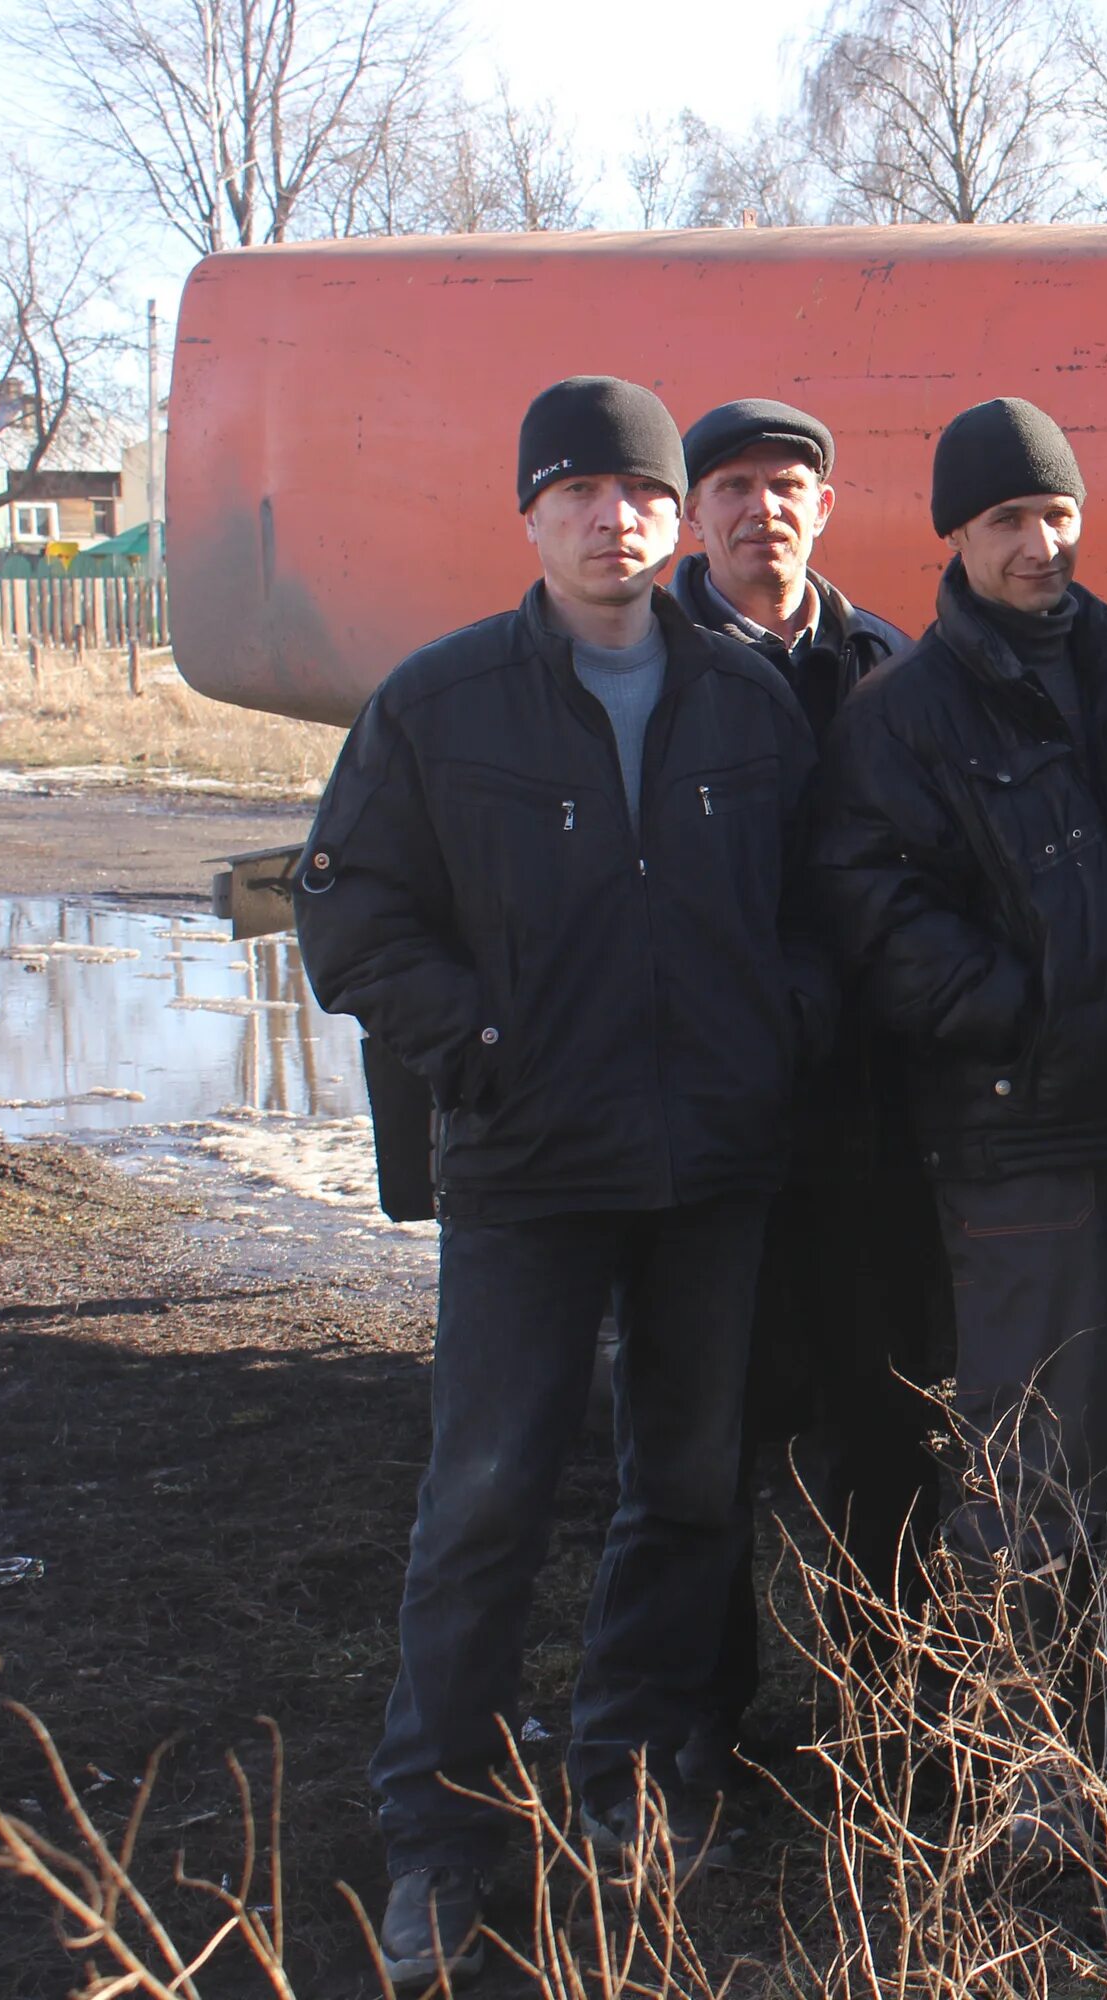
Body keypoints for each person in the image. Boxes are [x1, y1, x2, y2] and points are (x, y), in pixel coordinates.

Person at [296, 376, 827, 1985]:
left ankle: (629, 1780)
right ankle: (440, 1841)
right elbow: (350, 909)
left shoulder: (749, 706)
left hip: (709, 1165)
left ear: (675, 523)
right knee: (485, 1501)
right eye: (580, 492)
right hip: (530, 1168)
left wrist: (775, 1037)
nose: (615, 520)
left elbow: (819, 906)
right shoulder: (443, 703)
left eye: (642, 496)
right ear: (528, 515)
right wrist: (470, 1035)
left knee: (685, 1490)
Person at [811, 401, 1107, 1854]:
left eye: (1053, 516)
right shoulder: (906, 713)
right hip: (1018, 1130)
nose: (1037, 546)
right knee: (1033, 1453)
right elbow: (869, 901)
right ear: (954, 541)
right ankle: (1030, 1773)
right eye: (1003, 524)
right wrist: (1018, 1009)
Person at [669, 397, 929, 1791]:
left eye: (788, 485)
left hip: (869, 1128)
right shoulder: (644, 666)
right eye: (734, 487)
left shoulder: (889, 668)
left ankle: (885, 1720)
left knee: (883, 1427)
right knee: (705, 1437)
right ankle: (700, 1721)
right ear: (692, 514)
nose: (762, 508)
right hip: (707, 1131)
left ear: (827, 508)